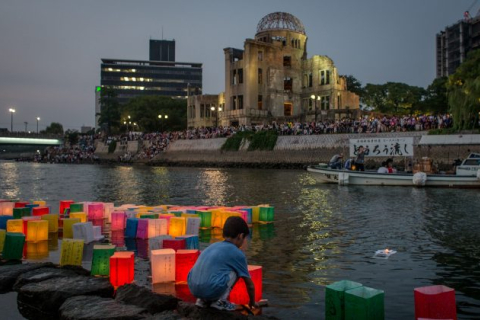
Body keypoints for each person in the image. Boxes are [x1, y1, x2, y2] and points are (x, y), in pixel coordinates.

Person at [188, 216, 258, 311]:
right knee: (236, 270)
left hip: (193, 289)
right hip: (210, 289)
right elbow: (250, 285)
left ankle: (201, 301)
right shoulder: (237, 253)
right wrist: (252, 303)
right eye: (244, 238)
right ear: (240, 236)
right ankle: (220, 301)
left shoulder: (212, 246)